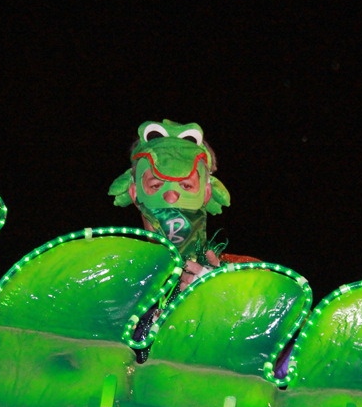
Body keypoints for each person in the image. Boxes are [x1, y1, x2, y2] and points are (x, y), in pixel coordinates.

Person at [108, 120, 258, 360]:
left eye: (186, 186)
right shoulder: (111, 274)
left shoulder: (246, 276)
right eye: (157, 185)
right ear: (135, 193)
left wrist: (226, 302)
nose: (171, 196)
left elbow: (281, 361)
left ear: (206, 193)